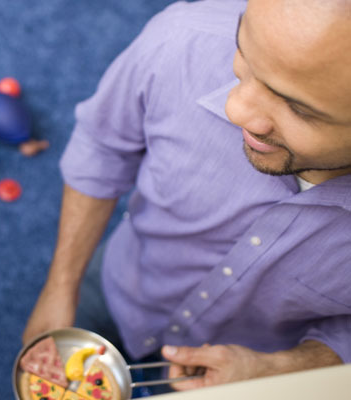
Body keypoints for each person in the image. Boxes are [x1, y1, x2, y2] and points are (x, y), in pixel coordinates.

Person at [23, 0, 350, 391]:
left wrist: (290, 366)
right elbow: (103, 145)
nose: (235, 108)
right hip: (121, 284)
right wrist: (61, 284)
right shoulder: (183, 40)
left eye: (297, 108)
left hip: (247, 372)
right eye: (243, 53)